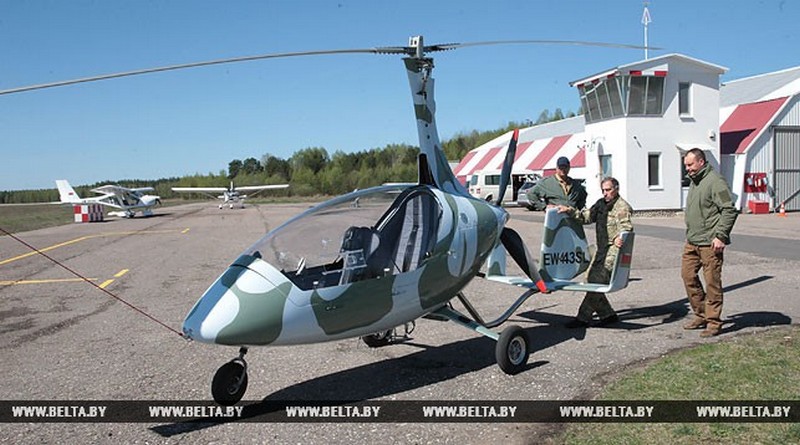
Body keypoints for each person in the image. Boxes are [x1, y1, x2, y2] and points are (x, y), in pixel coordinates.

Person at [557, 177, 633, 328]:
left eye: (608, 190)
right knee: (590, 280)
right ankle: (608, 315)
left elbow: (627, 228)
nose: (605, 193)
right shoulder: (600, 204)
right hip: (602, 249)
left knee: (596, 282)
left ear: (616, 189)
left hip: (613, 250)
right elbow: (587, 217)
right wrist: (569, 210)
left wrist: (620, 237)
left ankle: (583, 318)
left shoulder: (622, 207)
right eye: (603, 190)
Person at [681, 148, 738, 337]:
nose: (687, 169)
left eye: (690, 165)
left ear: (701, 162)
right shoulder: (695, 181)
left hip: (710, 243)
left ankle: (713, 322)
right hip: (693, 241)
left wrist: (721, 236)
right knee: (688, 276)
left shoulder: (715, 181)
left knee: (712, 282)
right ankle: (701, 314)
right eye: (686, 165)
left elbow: (729, 210)